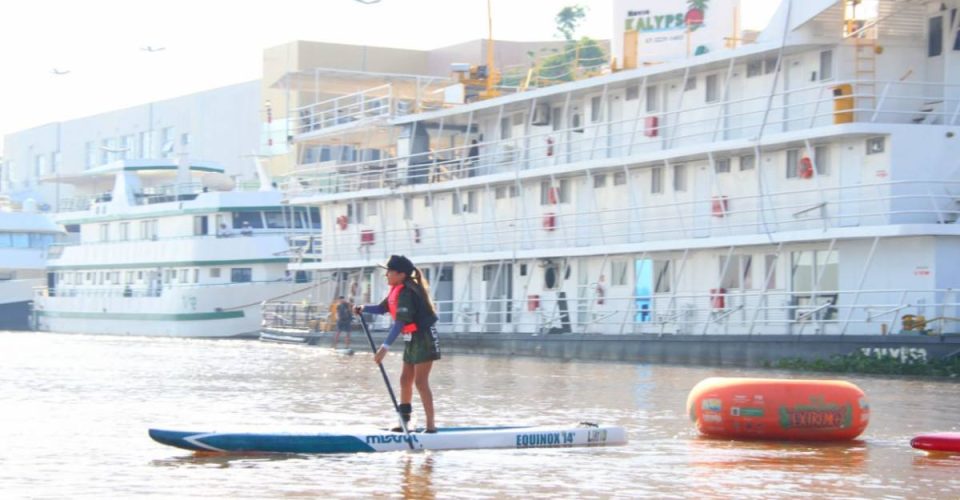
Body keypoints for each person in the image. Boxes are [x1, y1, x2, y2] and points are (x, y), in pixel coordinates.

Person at [355, 255, 440, 433]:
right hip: (411, 338)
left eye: (389, 272)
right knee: (404, 380)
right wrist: (363, 308)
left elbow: (399, 323)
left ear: (401, 274)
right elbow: (382, 308)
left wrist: (384, 348)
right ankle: (405, 422)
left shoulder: (407, 293)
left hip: (424, 338)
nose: (386, 275)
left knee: (420, 382)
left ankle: (431, 427)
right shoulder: (397, 290)